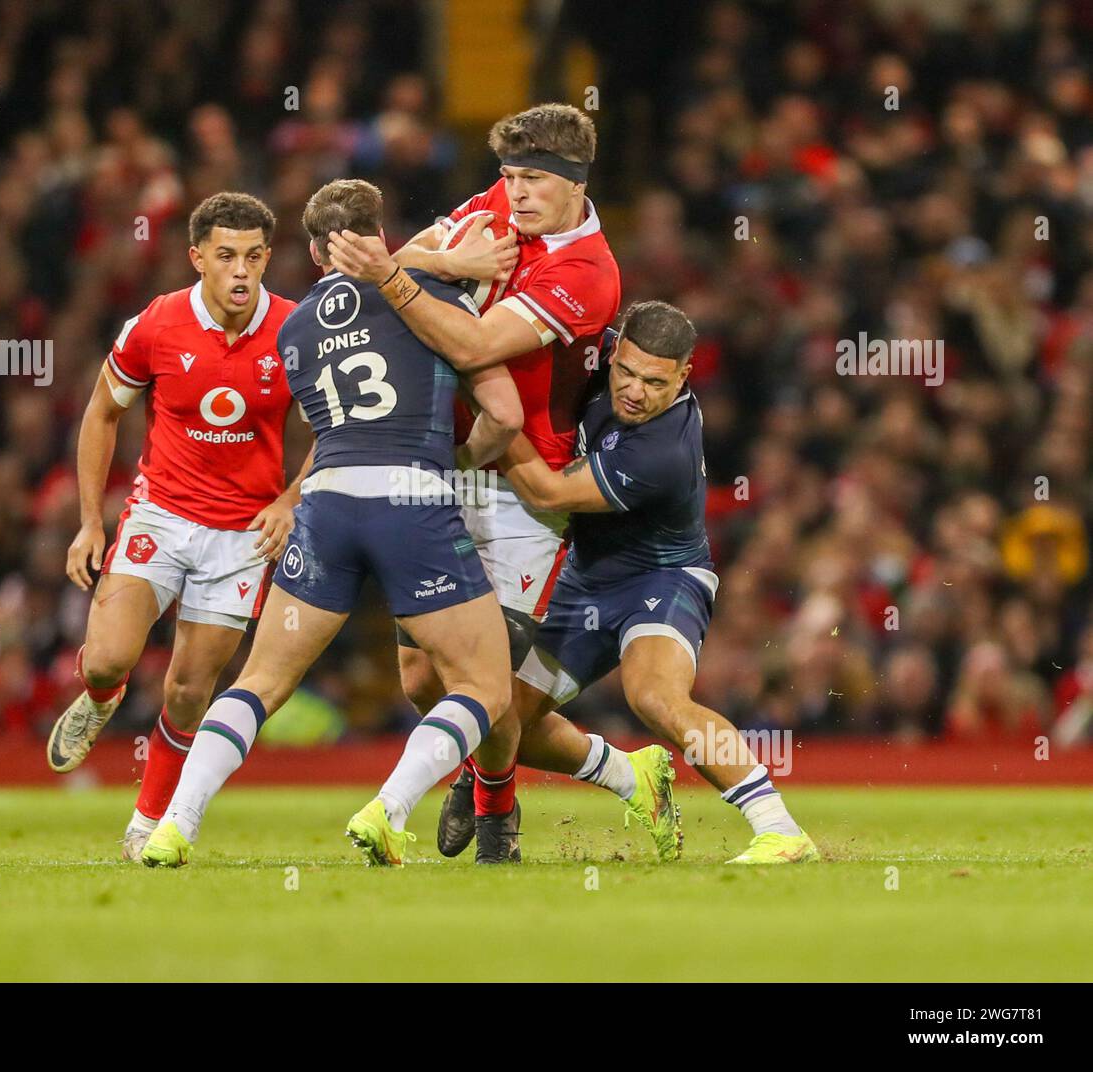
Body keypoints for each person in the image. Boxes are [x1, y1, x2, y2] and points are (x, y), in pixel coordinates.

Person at [141, 178, 524, 868]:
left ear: (316, 254)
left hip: (325, 503)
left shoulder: (293, 325)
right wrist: (463, 457)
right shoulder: (433, 297)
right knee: (485, 687)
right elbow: (505, 416)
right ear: (380, 232)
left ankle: (175, 825)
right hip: (412, 498)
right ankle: (390, 808)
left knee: (258, 683)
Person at [327, 102, 621, 860]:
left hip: (524, 486)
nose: (514, 195)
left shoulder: (586, 274)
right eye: (508, 177)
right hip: (450, 462)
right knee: (424, 678)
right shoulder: (497, 206)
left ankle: (494, 812)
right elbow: (422, 248)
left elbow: (478, 337)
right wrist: (447, 265)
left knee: (488, 679)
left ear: (574, 184)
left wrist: (395, 275)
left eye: (531, 182)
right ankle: (600, 776)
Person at [463, 301, 819, 865]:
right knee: (500, 721)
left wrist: (484, 406)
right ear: (614, 348)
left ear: (683, 376)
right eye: (625, 372)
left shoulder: (664, 451)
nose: (633, 390)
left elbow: (548, 494)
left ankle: (778, 827)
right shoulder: (600, 353)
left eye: (654, 382)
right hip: (583, 580)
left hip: (662, 577)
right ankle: (629, 773)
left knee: (654, 696)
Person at [47, 192, 309, 861]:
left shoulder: (294, 331)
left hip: (243, 537)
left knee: (190, 691)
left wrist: (288, 499)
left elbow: (335, 427)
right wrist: (88, 523)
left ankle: (146, 824)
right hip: (159, 516)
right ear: (197, 258)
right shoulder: (157, 324)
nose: (241, 270)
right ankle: (99, 696)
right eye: (225, 255)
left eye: (253, 255)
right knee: (108, 657)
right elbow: (101, 413)